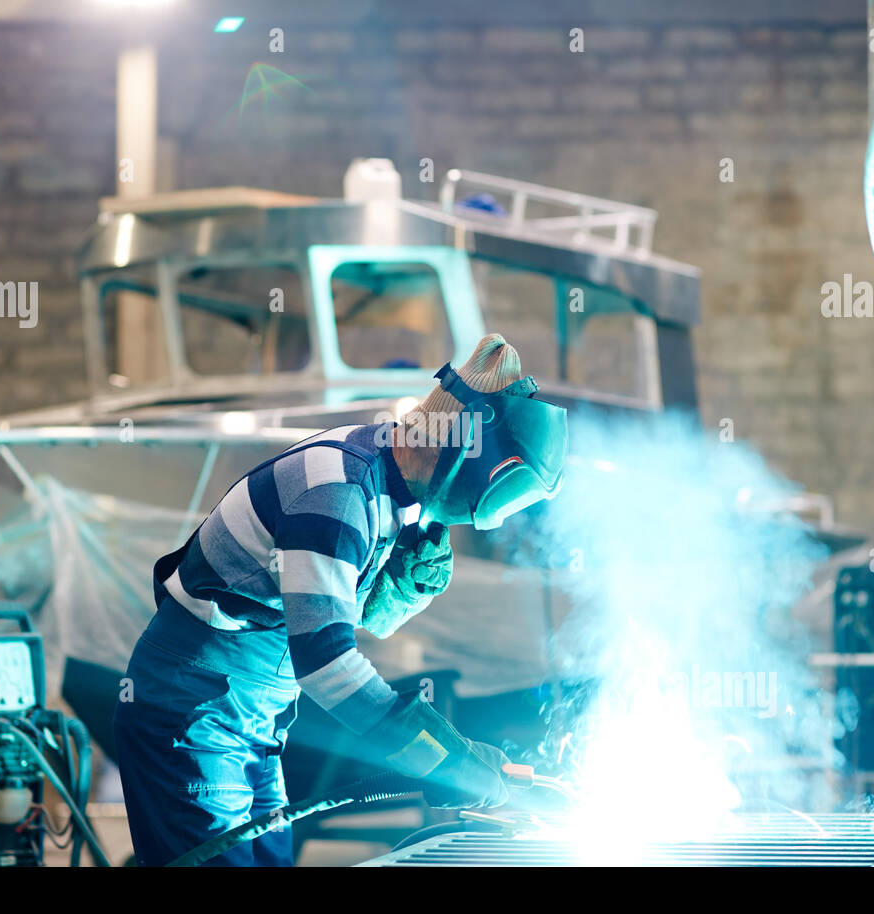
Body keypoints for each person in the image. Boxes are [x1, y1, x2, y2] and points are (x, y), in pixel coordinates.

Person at [113, 334, 567, 865]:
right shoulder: (337, 493)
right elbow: (327, 664)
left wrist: (393, 589)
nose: (491, 515)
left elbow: (335, 614)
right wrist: (444, 759)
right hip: (192, 711)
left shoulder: (391, 482)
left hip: (255, 715)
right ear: (463, 449)